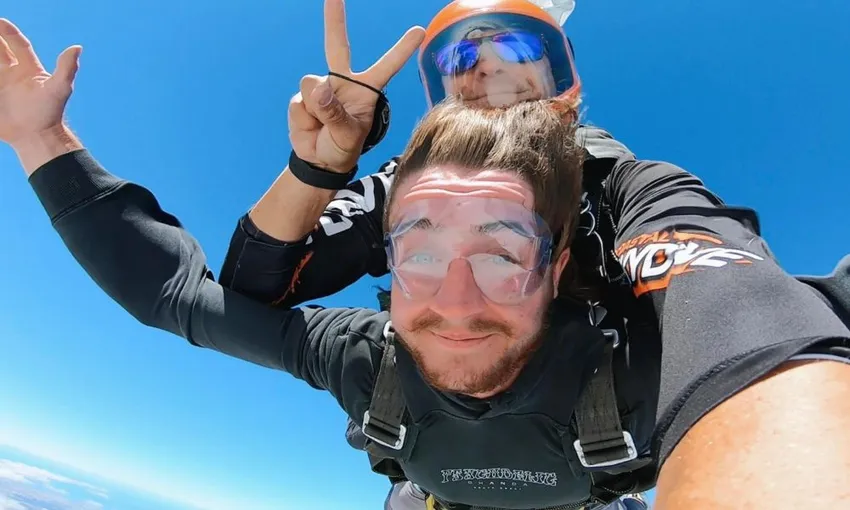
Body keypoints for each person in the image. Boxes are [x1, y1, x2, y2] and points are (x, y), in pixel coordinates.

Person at [3, 19, 850, 510]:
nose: (453, 298)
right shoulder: (372, 337)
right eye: (419, 250)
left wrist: (776, 386)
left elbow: (749, 331)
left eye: (504, 251)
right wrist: (316, 172)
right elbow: (226, 293)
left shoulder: (632, 223)